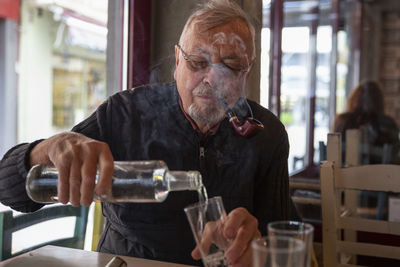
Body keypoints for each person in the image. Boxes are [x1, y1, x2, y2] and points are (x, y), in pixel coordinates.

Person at [0, 0, 297, 265]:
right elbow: (9, 190)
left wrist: (259, 249)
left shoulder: (265, 134)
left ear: (248, 69)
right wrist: (51, 147)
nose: (212, 79)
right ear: (177, 61)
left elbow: (285, 239)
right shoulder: (124, 114)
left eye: (231, 66)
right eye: (198, 62)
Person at [333, 80, 400, 164]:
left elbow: (333, 154)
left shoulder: (342, 120)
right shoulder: (388, 123)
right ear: (379, 101)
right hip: (378, 175)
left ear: (354, 99)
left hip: (343, 174)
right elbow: (394, 155)